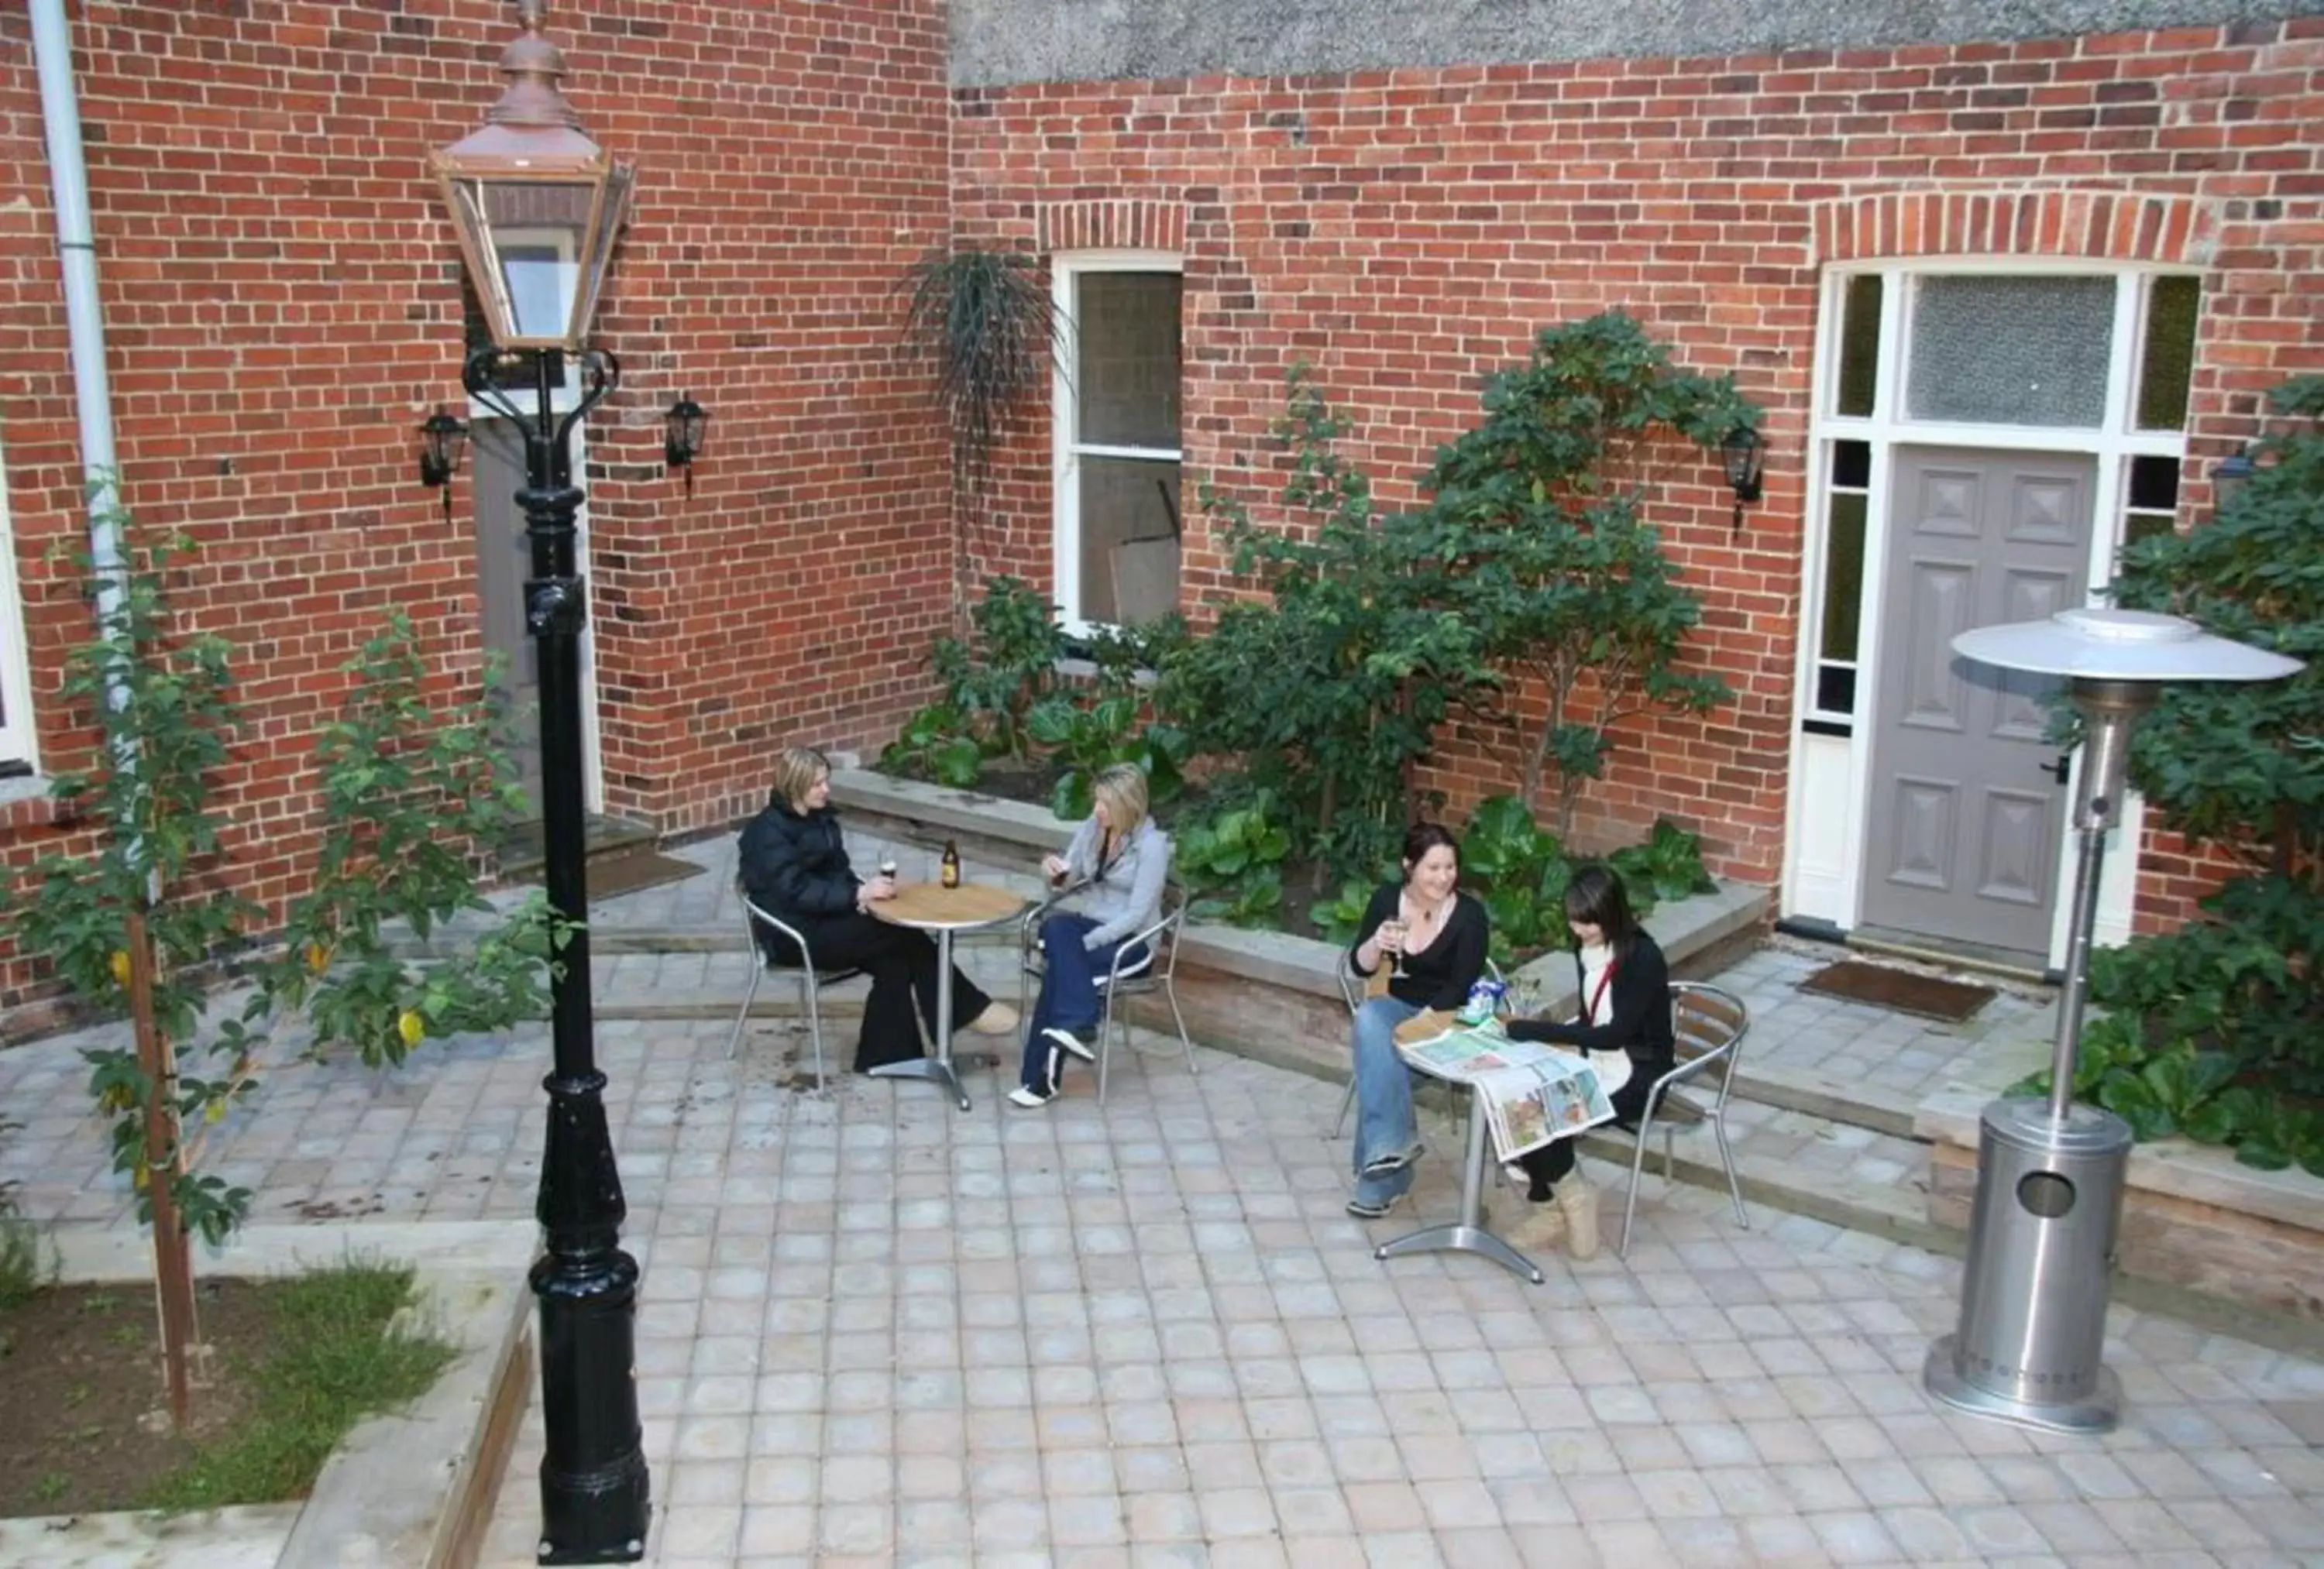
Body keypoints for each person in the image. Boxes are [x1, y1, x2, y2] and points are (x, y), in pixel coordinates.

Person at [737, 746, 1017, 1074]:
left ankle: (888, 1056)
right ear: (795, 786)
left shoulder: (820, 818)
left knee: (896, 958)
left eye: (826, 781)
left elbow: (836, 872)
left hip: (826, 919)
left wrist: (864, 892)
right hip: (792, 934)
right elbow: (796, 891)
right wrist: (857, 893)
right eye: (817, 784)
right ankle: (965, 1010)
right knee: (903, 937)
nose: (826, 789)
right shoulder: (767, 834)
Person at [1499, 863, 1672, 1259]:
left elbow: (1615, 1034)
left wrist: (1539, 1031)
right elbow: (1593, 1017)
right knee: (1522, 1092)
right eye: (1574, 921)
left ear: (1611, 914)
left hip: (1640, 1074)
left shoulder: (1643, 958)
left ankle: (1571, 1201)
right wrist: (1555, 1043)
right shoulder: (1588, 949)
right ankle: (1556, 1203)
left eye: (1587, 923)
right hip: (1599, 1057)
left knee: (1544, 1110)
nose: (1578, 931)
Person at [1344, 822, 1490, 1219]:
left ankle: (1381, 1179)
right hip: (1393, 1013)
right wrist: (1377, 942)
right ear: (1408, 866)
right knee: (1372, 1016)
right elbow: (1359, 967)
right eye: (1433, 868)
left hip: (1444, 1020)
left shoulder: (1470, 916)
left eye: (1450, 867)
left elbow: (1460, 987)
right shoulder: (1387, 900)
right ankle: (1389, 1153)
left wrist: (1417, 1032)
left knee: (1379, 1068)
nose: (1444, 877)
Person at [1007, 763, 1173, 1108]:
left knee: (1062, 969)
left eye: (1106, 804)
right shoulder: (1094, 829)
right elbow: (1068, 881)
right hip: (1091, 925)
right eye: (1097, 801)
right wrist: (1052, 872)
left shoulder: (1153, 847)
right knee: (1055, 927)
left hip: (1132, 942)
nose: (1097, 810)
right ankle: (1079, 1021)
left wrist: (1086, 943)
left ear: (1129, 806)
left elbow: (1136, 916)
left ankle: (1041, 1080)